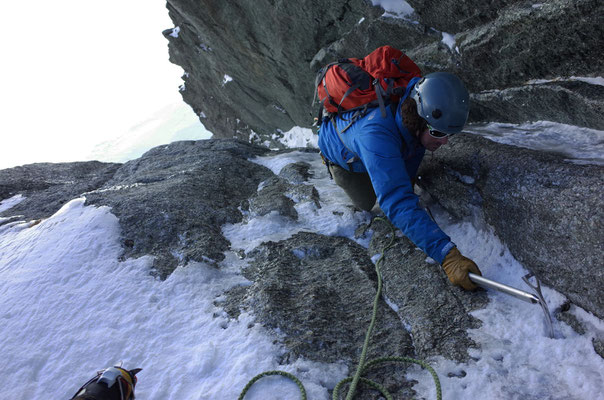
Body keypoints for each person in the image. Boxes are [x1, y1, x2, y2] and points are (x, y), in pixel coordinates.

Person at [318, 72, 482, 290]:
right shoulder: (376, 136)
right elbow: (395, 202)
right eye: (437, 132)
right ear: (419, 120)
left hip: (383, 145)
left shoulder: (414, 110)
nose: (444, 141)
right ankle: (345, 169)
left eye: (448, 135)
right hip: (345, 158)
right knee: (369, 203)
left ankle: (385, 170)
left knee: (400, 177)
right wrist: (447, 255)